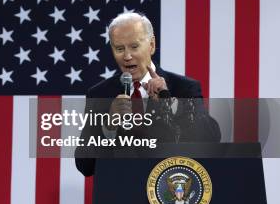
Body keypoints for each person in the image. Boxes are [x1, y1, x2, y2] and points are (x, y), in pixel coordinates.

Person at [75, 13, 220, 177]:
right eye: (119, 49)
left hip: (167, 192)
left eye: (134, 47)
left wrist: (171, 104)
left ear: (151, 45)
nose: (127, 57)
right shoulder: (100, 94)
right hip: (120, 195)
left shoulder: (184, 88)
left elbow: (210, 140)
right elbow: (84, 165)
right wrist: (108, 126)